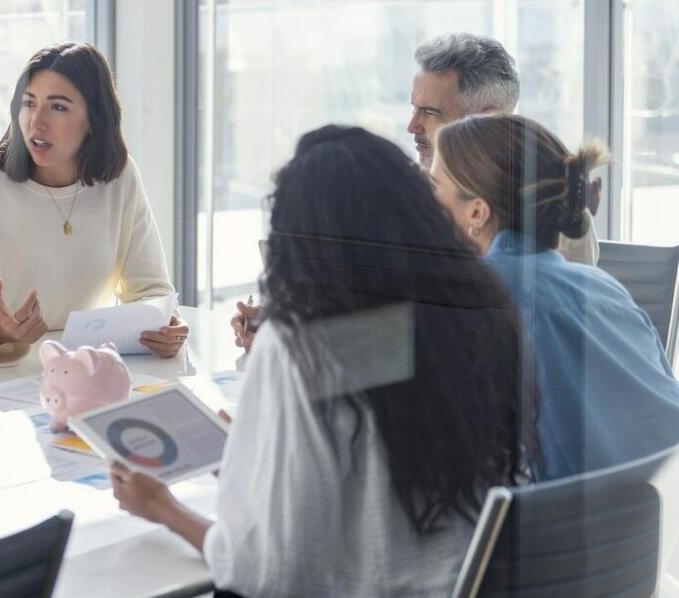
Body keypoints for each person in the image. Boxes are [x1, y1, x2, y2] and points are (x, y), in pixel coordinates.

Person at [111, 125, 532, 596]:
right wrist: (254, 457)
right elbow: (369, 469)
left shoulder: (300, 345)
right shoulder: (473, 313)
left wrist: (164, 509)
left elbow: (266, 571)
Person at [232, 32, 599, 351]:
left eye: (430, 112)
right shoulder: (409, 191)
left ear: (488, 119)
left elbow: (468, 344)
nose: (412, 125)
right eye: (413, 107)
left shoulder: (552, 210)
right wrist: (292, 324)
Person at [431, 113, 679, 480]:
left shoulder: (479, 302)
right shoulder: (603, 287)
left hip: (575, 527)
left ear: (477, 212)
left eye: (434, 186)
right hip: (660, 517)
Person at [0, 42, 186, 366]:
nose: (37, 122)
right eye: (29, 103)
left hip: (84, 374)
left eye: (58, 107)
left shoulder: (121, 180)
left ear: (94, 119)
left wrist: (165, 326)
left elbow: (153, 292)